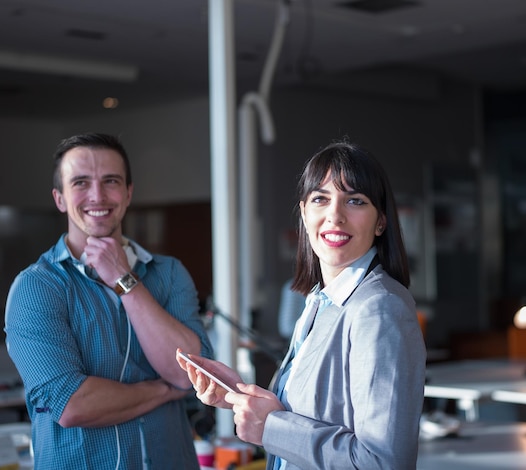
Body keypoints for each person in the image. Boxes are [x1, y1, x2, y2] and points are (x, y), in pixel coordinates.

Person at [176, 139, 426, 469]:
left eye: (355, 201)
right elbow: (313, 413)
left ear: (380, 222)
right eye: (321, 199)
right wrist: (238, 394)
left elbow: (381, 462)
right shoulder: (319, 301)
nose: (335, 215)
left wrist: (271, 427)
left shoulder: (379, 309)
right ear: (305, 214)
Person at [4, 133, 213, 469]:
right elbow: (72, 404)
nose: (97, 196)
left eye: (110, 181)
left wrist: (124, 280)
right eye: (81, 183)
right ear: (60, 198)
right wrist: (164, 391)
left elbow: (191, 376)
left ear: (128, 193)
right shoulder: (36, 287)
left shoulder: (169, 273)